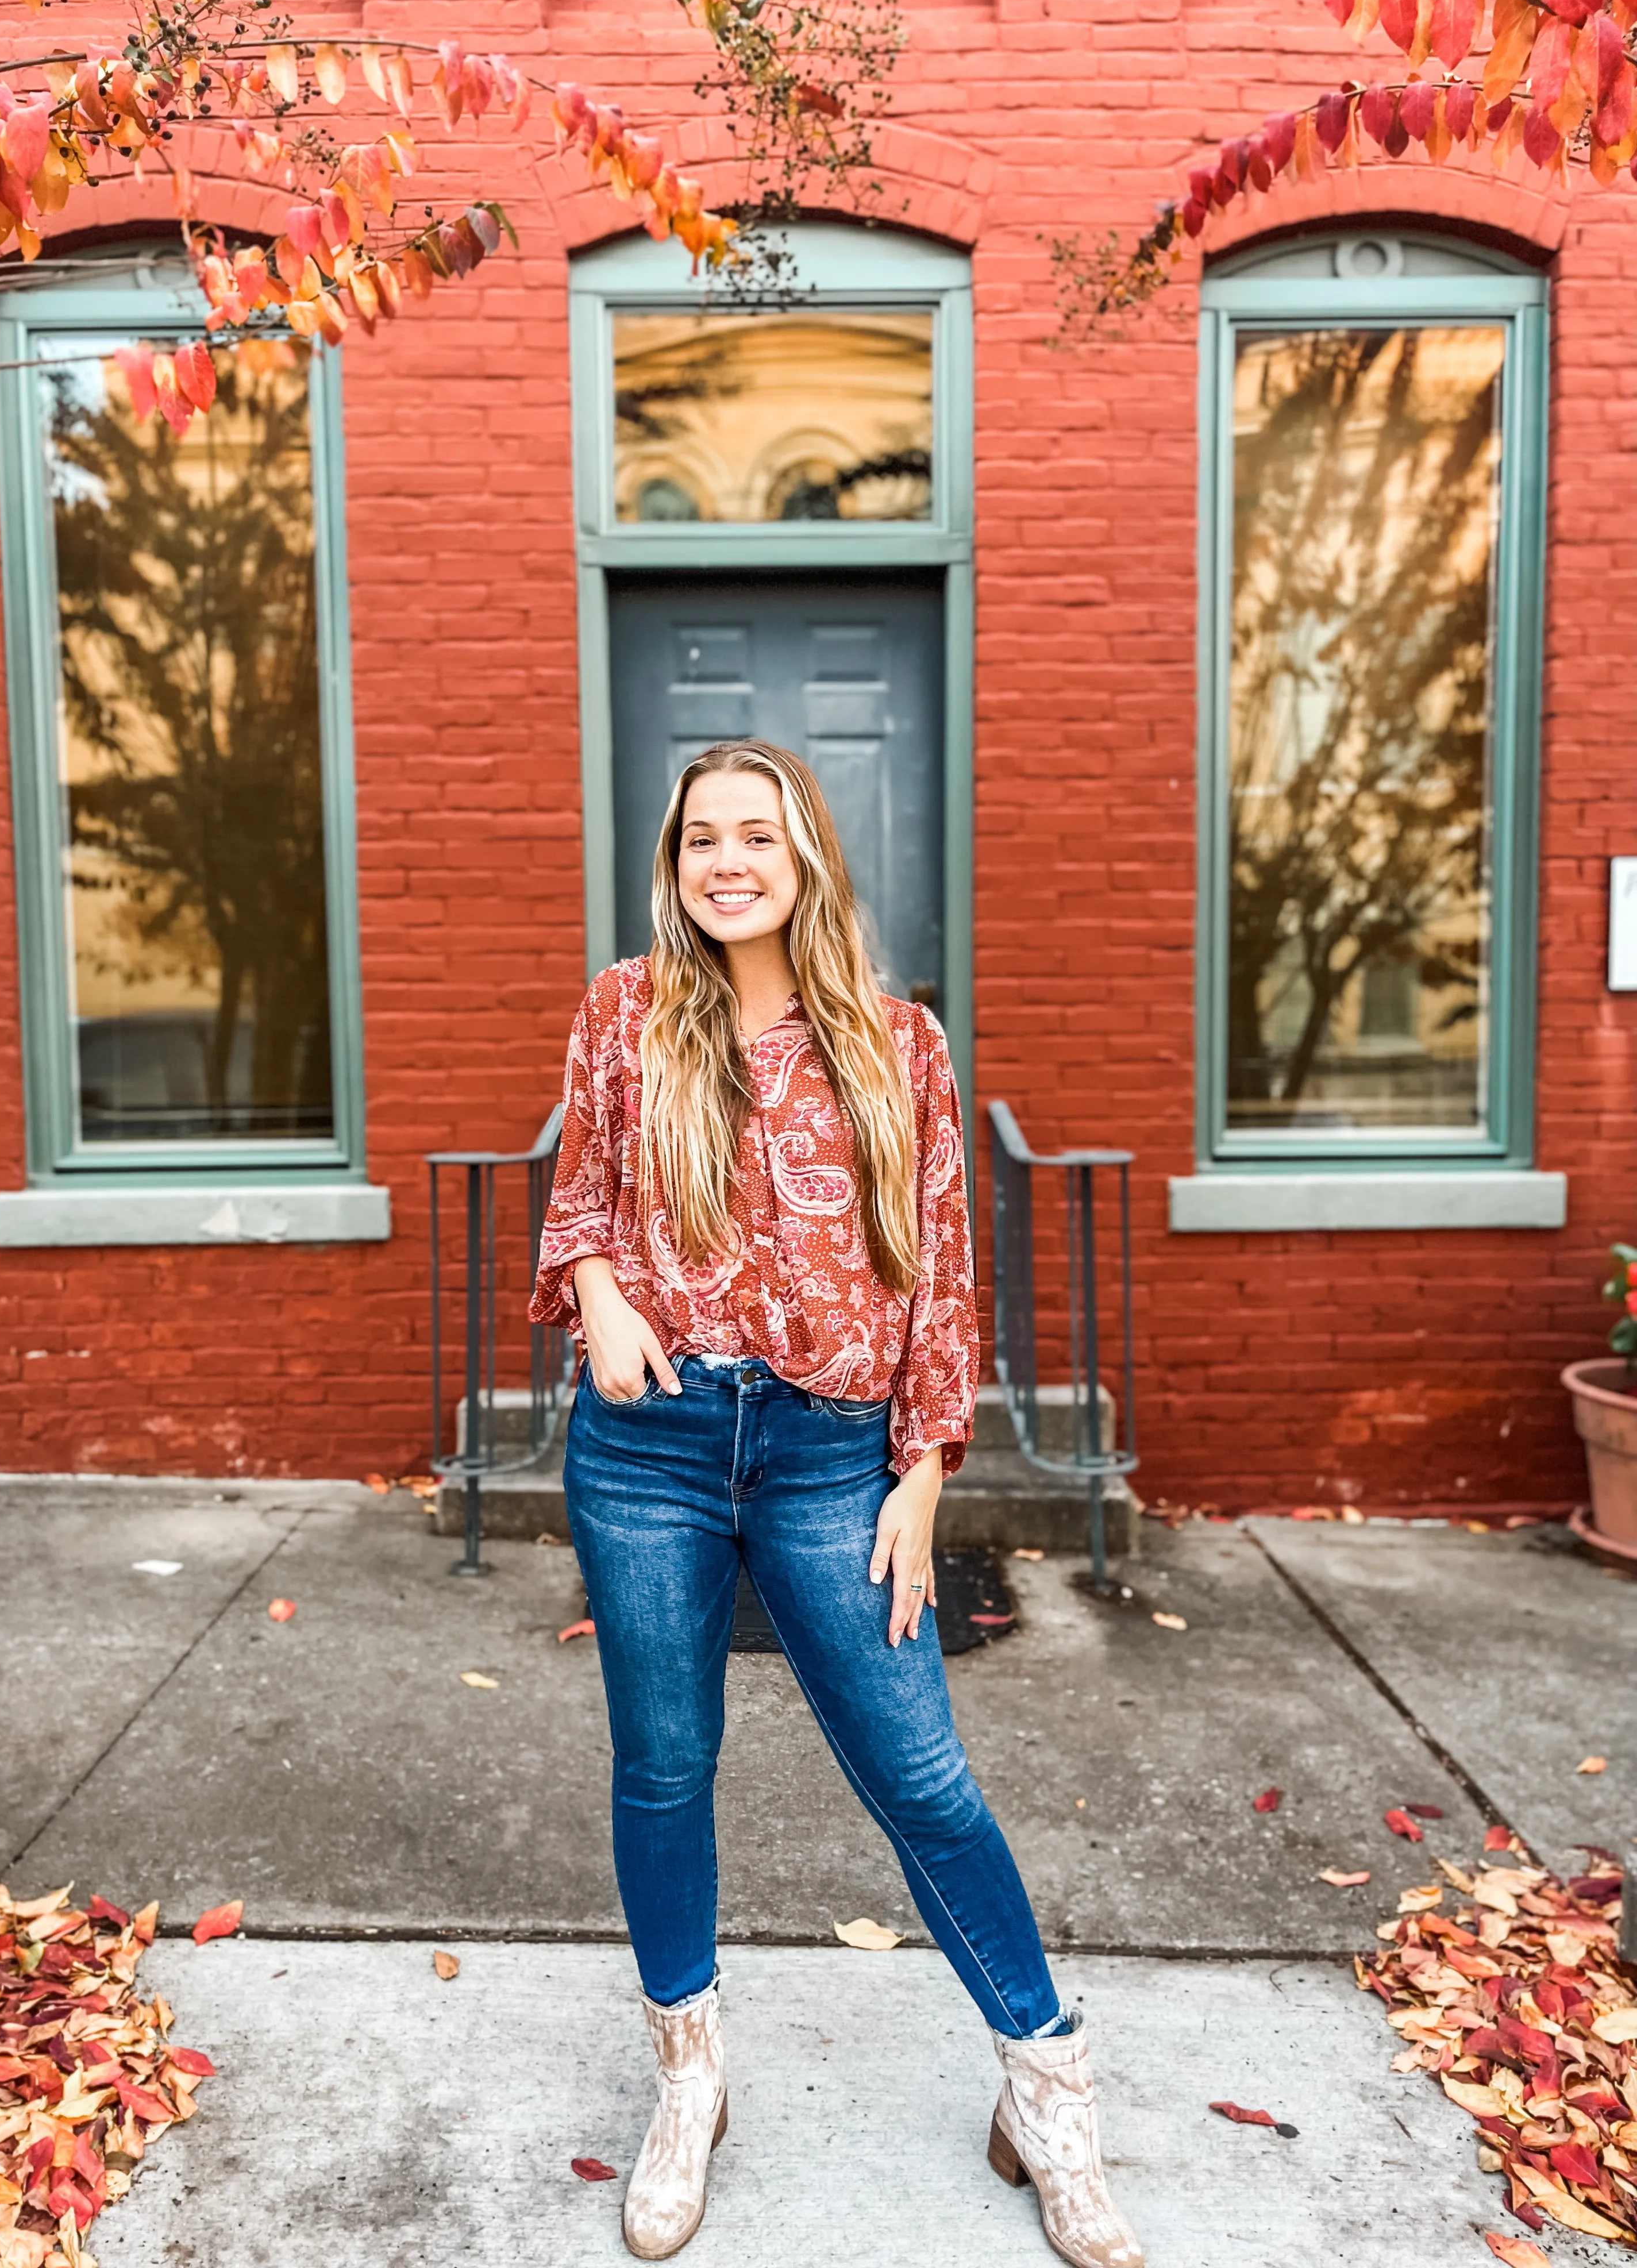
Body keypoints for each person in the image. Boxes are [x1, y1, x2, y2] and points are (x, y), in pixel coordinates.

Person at [529, 738, 1142, 2267]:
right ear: (674, 866)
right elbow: (581, 1198)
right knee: (664, 1766)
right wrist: (598, 1289)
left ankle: (1048, 2085)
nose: (726, 862)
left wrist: (927, 1473)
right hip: (651, 1441)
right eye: (699, 840)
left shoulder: (895, 1039)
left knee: (918, 1776)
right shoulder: (623, 1010)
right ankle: (692, 2082)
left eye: (756, 835)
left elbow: (939, 1265)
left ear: (805, 857)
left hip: (831, 1448)